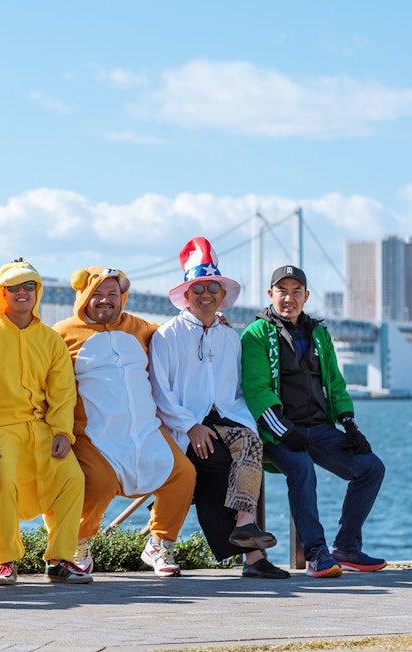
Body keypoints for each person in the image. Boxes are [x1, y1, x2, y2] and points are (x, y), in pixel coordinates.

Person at [149, 237, 287, 580]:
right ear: (186, 294)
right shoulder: (167, 335)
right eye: (198, 287)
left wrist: (247, 423)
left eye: (213, 286)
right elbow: (160, 391)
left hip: (224, 414)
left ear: (222, 294)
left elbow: (237, 389)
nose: (206, 293)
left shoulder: (229, 336)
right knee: (219, 464)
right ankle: (252, 556)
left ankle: (245, 524)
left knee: (251, 444)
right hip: (184, 423)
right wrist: (189, 426)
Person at [240, 265, 387, 577]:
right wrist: (283, 430)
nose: (289, 298)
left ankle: (346, 548)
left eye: (296, 292)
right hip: (278, 430)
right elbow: (257, 389)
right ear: (270, 294)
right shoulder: (255, 335)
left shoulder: (318, 332)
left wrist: (348, 422)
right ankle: (316, 554)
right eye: (282, 291)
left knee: (371, 468)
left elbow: (335, 382)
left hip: (319, 428)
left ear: (306, 296)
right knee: (302, 468)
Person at [54, 267, 196, 578]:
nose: (105, 301)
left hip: (145, 430)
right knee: (98, 485)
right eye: (97, 294)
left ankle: (160, 543)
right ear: (84, 296)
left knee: (183, 475)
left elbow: (179, 333)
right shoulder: (60, 333)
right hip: (93, 434)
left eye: (112, 295)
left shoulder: (141, 327)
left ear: (123, 298)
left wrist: (211, 324)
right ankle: (77, 545)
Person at [0, 259, 89, 585]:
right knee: (2, 478)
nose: (22, 293)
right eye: (14, 287)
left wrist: (62, 430)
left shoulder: (50, 339)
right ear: (1, 293)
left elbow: (63, 391)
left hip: (42, 429)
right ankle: (4, 562)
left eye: (29, 286)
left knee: (72, 477)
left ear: (38, 291)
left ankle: (60, 560)